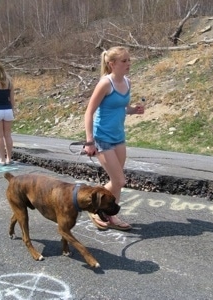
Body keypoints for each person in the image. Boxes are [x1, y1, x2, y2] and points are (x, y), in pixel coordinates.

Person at [84, 46, 145, 231]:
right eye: (124, 61)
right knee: (119, 181)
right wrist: (89, 141)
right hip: (102, 137)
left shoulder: (127, 82)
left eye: (128, 60)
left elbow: (122, 107)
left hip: (119, 137)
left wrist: (134, 110)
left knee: (116, 181)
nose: (128, 64)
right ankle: (93, 207)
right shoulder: (105, 83)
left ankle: (111, 215)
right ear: (112, 64)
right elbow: (89, 112)